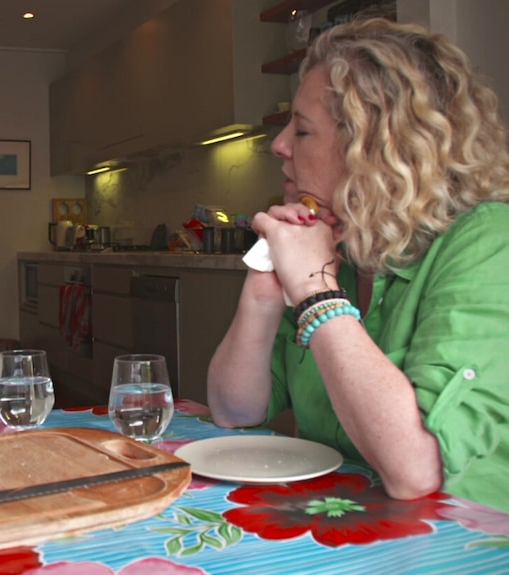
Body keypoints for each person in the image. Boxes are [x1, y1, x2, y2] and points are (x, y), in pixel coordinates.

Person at [207, 17, 509, 514]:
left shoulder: (486, 242)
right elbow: (234, 411)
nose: (278, 145)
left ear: (374, 148)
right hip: (349, 526)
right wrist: (264, 289)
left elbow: (415, 471)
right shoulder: (340, 249)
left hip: (464, 545)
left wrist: (315, 291)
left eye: (302, 129)